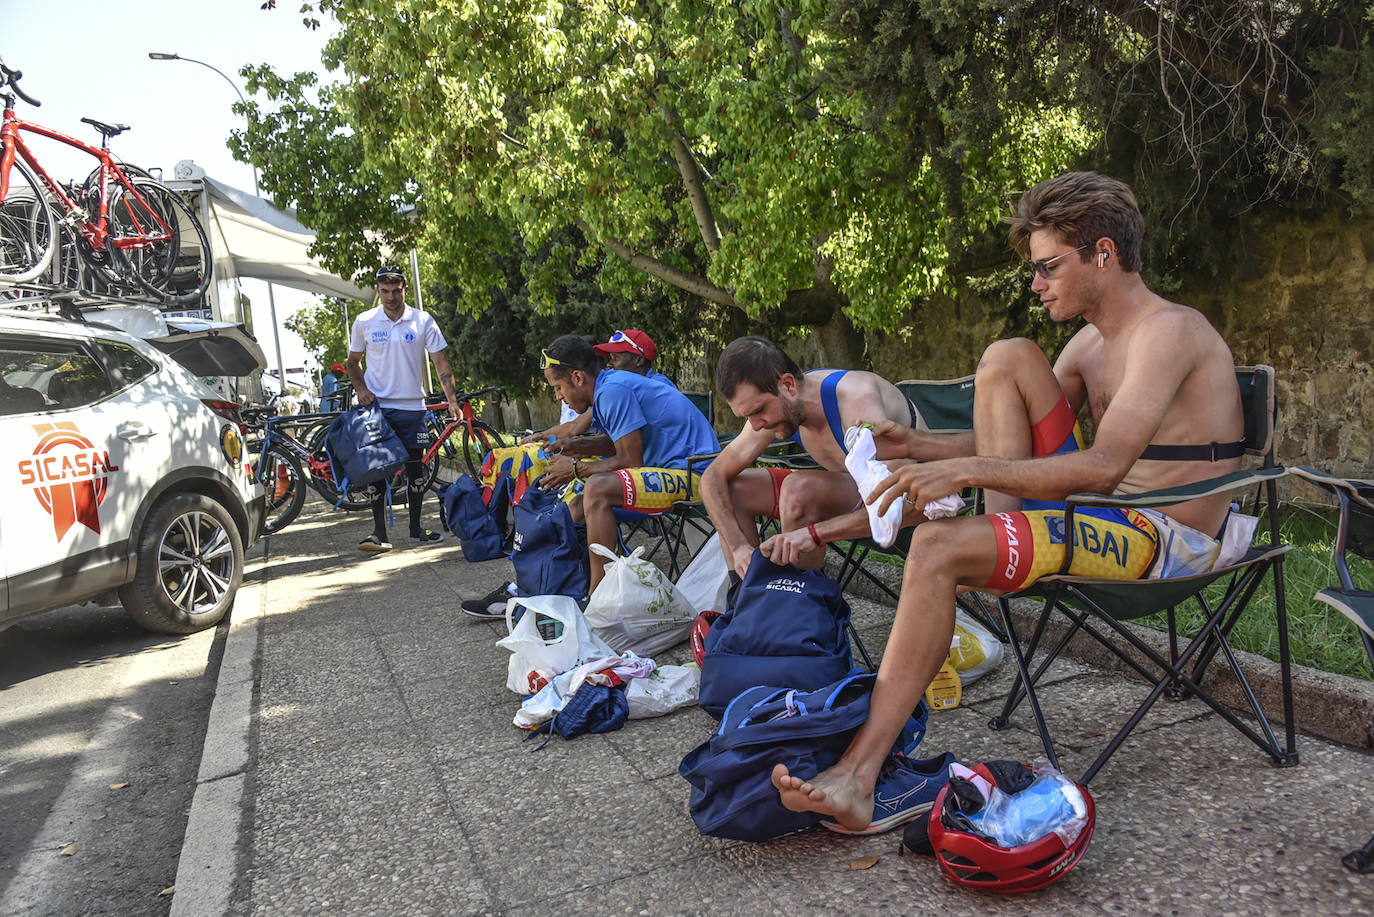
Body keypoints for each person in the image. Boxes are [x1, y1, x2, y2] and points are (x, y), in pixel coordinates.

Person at [770, 170, 1249, 832]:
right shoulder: (1090, 343)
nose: (1036, 283)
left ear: (1103, 254)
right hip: (1100, 517)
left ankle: (858, 774)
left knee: (936, 547)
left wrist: (962, 471)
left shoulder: (1169, 331)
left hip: (1166, 537)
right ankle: (990, 541)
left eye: (1049, 267)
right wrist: (921, 445)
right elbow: (1009, 443)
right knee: (1008, 357)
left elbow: (1104, 467)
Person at [702, 336, 965, 578]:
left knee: (798, 490)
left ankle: (798, 602)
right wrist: (738, 546)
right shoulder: (778, 405)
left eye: (758, 411)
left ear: (788, 385)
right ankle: (745, 595)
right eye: (747, 416)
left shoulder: (856, 401)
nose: (756, 425)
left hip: (915, 503)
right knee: (735, 488)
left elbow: (900, 505)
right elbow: (712, 478)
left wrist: (813, 534)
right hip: (860, 496)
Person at [536, 334, 719, 591]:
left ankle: (599, 594)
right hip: (673, 470)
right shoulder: (608, 387)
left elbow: (631, 461)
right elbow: (621, 443)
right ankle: (567, 584)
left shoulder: (612, 392)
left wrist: (576, 469)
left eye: (558, 387)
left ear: (577, 378)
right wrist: (573, 446)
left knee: (597, 489)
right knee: (576, 507)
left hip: (698, 475)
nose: (558, 396)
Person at [346, 265, 461, 553]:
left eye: (396, 291)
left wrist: (452, 400)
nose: (391, 297)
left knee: (416, 469)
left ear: (405, 289)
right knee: (376, 470)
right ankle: (379, 534)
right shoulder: (364, 321)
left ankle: (416, 530)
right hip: (378, 409)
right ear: (378, 291)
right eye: (385, 291)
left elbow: (440, 362)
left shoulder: (422, 320)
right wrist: (361, 390)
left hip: (412, 407)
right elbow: (352, 363)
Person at [521, 329, 675, 445]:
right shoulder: (611, 389)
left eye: (616, 358)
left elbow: (575, 428)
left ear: (639, 360)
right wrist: (574, 448)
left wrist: (575, 465)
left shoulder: (616, 390)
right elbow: (610, 440)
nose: (609, 364)